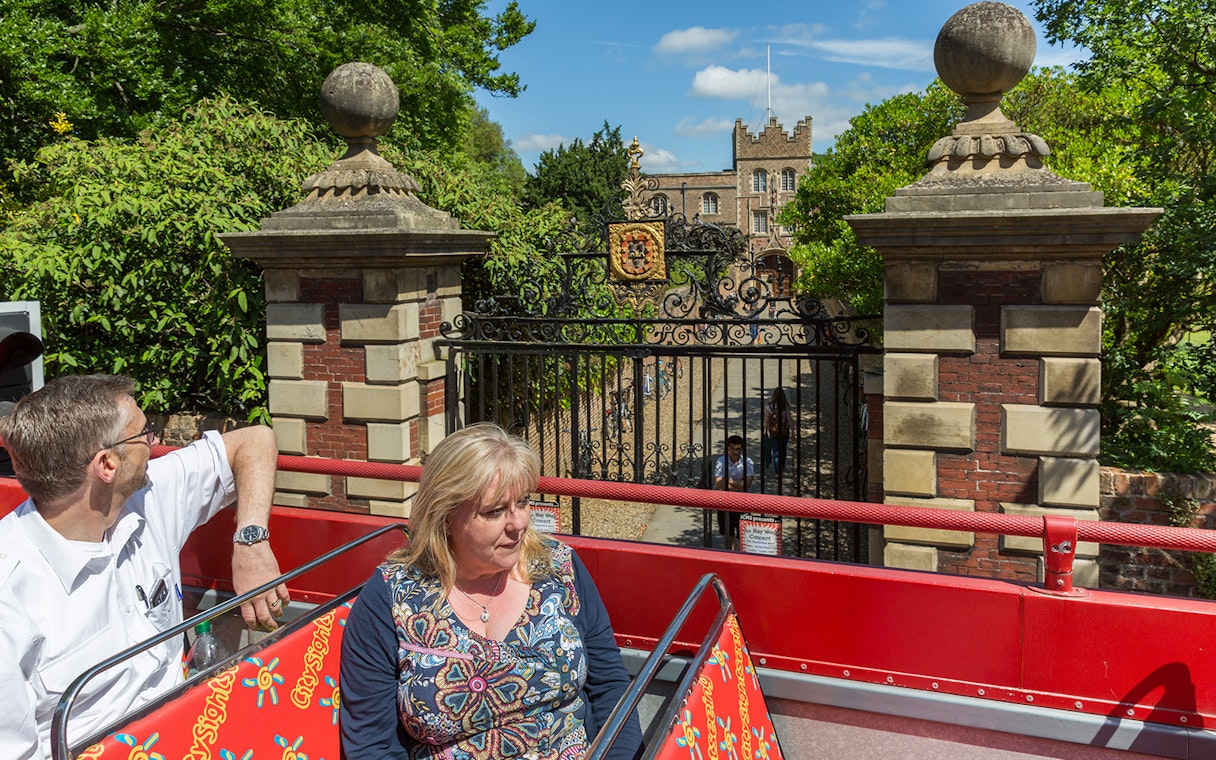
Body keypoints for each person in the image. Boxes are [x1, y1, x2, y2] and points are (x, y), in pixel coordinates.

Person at [0, 374, 289, 758]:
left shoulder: (146, 495)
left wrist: (250, 539)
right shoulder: (11, 593)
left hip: (195, 733)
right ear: (107, 464)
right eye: (144, 433)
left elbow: (254, 440)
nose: (153, 444)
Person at [340, 423, 643, 759]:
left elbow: (611, 688)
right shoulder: (391, 596)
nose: (519, 523)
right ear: (445, 518)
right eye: (495, 511)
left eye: (523, 502)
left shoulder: (559, 568)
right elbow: (372, 743)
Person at [713, 435, 755, 550]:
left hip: (742, 501)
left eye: (737, 449)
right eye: (732, 448)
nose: (735, 452)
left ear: (741, 449)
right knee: (728, 530)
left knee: (743, 529)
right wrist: (739, 485)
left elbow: (748, 483)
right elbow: (718, 483)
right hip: (725, 500)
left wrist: (729, 481)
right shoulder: (721, 461)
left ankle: (742, 556)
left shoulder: (748, 462)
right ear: (728, 449)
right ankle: (730, 554)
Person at [762, 388, 792, 476]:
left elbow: (767, 420)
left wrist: (765, 431)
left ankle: (777, 471)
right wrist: (793, 431)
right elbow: (789, 419)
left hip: (773, 431)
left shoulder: (769, 406)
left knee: (776, 451)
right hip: (784, 430)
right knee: (783, 449)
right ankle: (782, 466)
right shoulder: (784, 406)